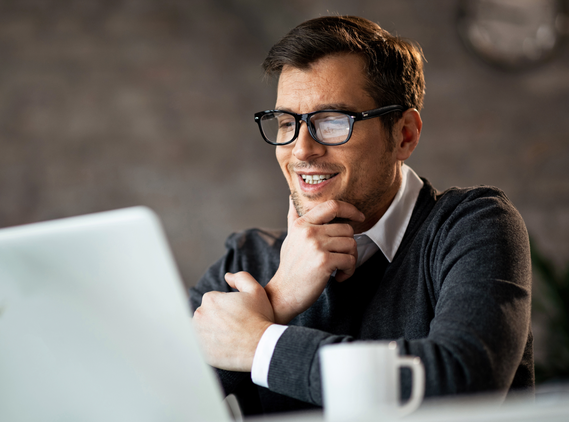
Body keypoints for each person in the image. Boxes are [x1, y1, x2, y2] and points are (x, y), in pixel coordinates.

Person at [189, 15, 533, 415]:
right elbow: (147, 400)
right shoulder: (246, 262)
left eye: (332, 122)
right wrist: (278, 298)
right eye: (287, 122)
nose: (301, 150)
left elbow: (463, 379)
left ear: (405, 134)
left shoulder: (474, 225)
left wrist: (260, 343)